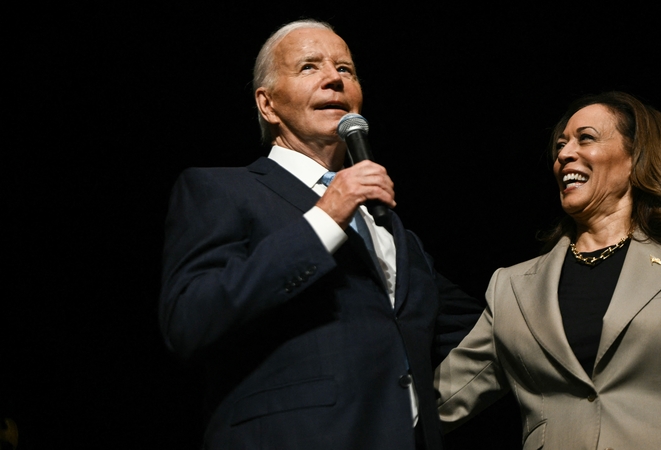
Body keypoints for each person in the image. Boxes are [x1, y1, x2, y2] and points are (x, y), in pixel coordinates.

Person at [159, 19, 482, 450]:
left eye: (345, 69)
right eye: (310, 67)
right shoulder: (219, 190)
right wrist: (327, 216)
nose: (334, 78)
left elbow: (487, 332)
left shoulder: (394, 232)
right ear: (268, 105)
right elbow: (189, 320)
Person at [434, 91, 661, 449]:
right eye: (560, 145)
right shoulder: (511, 287)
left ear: (635, 157)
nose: (564, 154)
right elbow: (436, 403)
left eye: (585, 139)